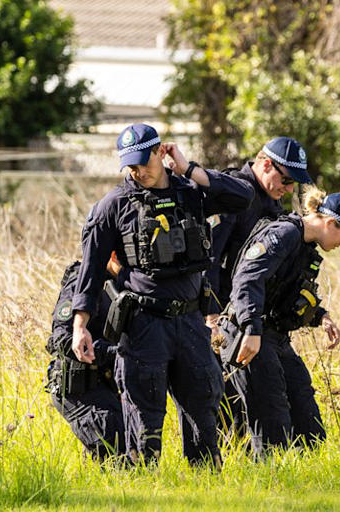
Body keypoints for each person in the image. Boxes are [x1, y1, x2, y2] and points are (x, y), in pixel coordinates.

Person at [70, 123, 253, 466]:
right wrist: (80, 326)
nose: (138, 171)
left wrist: (189, 169)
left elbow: (242, 197)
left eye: (144, 162)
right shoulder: (114, 205)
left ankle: (205, 487)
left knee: (203, 406)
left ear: (160, 152)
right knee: (145, 417)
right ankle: (144, 488)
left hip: (190, 324)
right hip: (143, 326)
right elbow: (90, 271)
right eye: (131, 165)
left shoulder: (191, 192)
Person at [218, 188, 340, 456]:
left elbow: (288, 293)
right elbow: (246, 280)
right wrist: (251, 328)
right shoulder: (284, 234)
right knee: (272, 420)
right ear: (330, 223)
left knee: (308, 422)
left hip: (274, 338)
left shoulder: (306, 247)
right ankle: (269, 486)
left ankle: (305, 483)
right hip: (249, 335)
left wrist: (321, 316)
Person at [203, 137, 312, 435]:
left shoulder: (272, 205)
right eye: (286, 179)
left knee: (250, 402)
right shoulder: (234, 194)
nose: (289, 189)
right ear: (265, 164)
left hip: (245, 316)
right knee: (223, 403)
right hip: (217, 317)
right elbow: (210, 261)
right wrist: (211, 316)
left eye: (293, 184)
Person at [46, 259, 125, 460]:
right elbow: (61, 339)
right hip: (77, 387)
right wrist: (113, 352)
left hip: (106, 385)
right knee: (117, 446)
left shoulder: (124, 282)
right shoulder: (82, 282)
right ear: (114, 256)